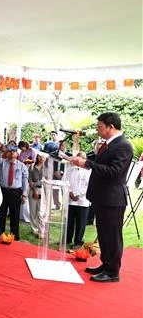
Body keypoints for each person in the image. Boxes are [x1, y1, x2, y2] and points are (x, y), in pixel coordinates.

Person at [68, 113, 132, 283]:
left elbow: (113, 171)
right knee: (103, 234)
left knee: (112, 235)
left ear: (111, 126)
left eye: (100, 126)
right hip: (102, 197)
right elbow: (100, 161)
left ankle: (113, 271)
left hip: (113, 199)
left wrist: (87, 164)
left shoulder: (123, 145)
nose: (98, 129)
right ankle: (106, 264)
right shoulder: (109, 144)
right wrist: (84, 159)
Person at [0, 147, 29, 240]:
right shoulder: (2, 162)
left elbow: (25, 181)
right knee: (1, 213)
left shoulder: (22, 166)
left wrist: (24, 194)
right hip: (3, 191)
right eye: (10, 152)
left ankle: (14, 236)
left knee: (15, 214)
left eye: (14, 152)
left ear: (17, 154)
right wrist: (0, 150)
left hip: (15, 192)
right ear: (7, 153)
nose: (12, 153)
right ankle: (0, 234)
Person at [65, 152, 91, 249]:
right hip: (70, 199)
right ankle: (67, 239)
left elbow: (87, 186)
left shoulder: (88, 171)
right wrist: (70, 192)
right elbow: (66, 181)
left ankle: (78, 242)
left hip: (82, 201)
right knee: (69, 221)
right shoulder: (70, 169)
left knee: (80, 223)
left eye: (80, 159)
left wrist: (76, 194)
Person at [28, 155, 46, 237]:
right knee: (33, 211)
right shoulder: (32, 167)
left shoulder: (47, 168)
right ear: (37, 157)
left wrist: (36, 183)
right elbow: (30, 181)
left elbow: (46, 181)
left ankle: (41, 230)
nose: (41, 158)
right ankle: (34, 229)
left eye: (43, 157)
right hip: (33, 190)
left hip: (43, 191)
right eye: (40, 157)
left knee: (41, 211)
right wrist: (34, 190)